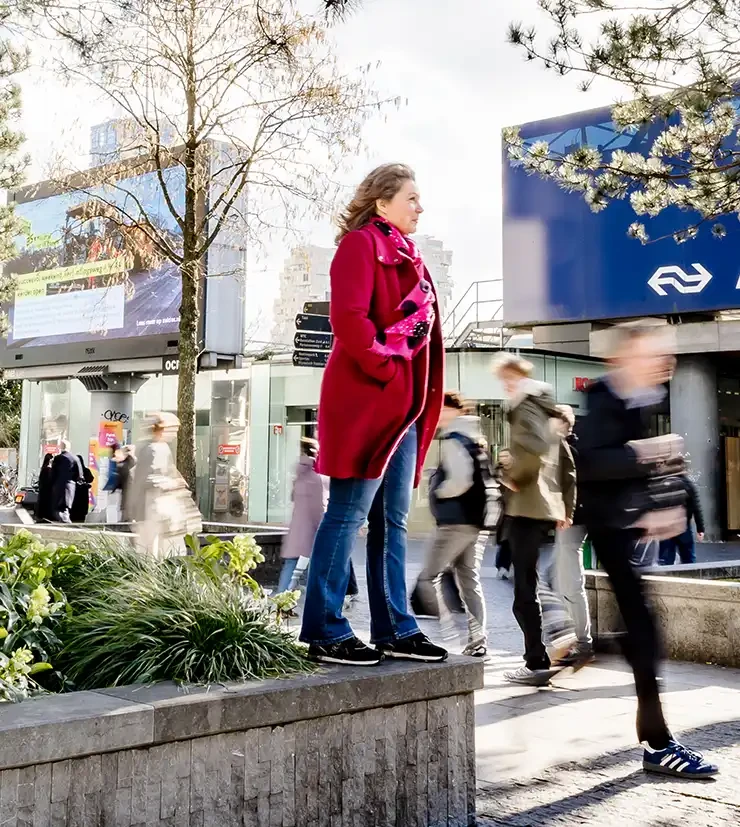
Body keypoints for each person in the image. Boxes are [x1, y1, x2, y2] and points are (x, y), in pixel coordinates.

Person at [300, 163, 447, 666]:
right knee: (347, 514)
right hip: (367, 402)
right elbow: (348, 319)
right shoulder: (360, 246)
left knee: (394, 522)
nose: (420, 206)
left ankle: (396, 628)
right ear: (382, 202)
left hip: (404, 409)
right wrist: (386, 370)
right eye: (412, 197)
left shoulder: (414, 258)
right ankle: (324, 627)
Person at [577, 321, 718, 778]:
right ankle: (657, 745)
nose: (665, 361)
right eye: (655, 352)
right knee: (646, 632)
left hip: (627, 526)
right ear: (627, 357)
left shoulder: (641, 398)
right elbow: (592, 463)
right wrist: (648, 453)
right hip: (606, 528)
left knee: (641, 632)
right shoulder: (603, 398)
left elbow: (645, 468)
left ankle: (600, 646)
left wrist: (664, 503)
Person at [493, 354, 576, 686]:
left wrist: (512, 475)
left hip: (526, 506)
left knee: (524, 588)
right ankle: (552, 641)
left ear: (516, 377)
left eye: (506, 378)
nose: (504, 384)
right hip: (543, 508)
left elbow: (537, 449)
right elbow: (567, 465)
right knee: (529, 581)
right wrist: (565, 509)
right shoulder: (548, 407)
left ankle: (538, 659)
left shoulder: (523, 406)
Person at [415, 392, 495, 658]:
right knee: (469, 580)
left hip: (454, 522)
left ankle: (442, 636)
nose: (436, 416)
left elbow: (462, 481)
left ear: (451, 410)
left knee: (427, 578)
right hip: (475, 522)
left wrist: (438, 491)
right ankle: (477, 640)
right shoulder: (474, 437)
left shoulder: (453, 439)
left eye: (439, 409)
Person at [543, 405, 594, 667]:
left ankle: (583, 643)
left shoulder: (568, 449)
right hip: (570, 522)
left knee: (571, 585)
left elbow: (570, 486)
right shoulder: (568, 447)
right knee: (555, 581)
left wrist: (565, 512)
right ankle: (571, 640)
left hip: (571, 523)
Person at [132, 412, 201, 557]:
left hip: (155, 509)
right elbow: (148, 479)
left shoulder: (156, 447)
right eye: (174, 430)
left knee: (156, 550)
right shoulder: (152, 449)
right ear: (163, 429)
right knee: (151, 551)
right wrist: (173, 483)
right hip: (151, 509)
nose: (175, 435)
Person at [277, 438, 327, 594]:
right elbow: (318, 508)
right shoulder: (316, 477)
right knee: (317, 566)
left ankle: (281, 595)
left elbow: (293, 498)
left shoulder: (299, 475)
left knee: (291, 563)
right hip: (312, 529)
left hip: (297, 527)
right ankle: (317, 598)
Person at [659, 473, 705, 565]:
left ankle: (666, 577)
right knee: (688, 559)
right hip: (683, 525)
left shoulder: (662, 483)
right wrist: (700, 528)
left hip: (666, 527)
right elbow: (696, 507)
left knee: (665, 560)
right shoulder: (687, 483)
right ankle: (691, 577)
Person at [50, 440, 81, 523]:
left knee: (59, 508)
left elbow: (53, 473)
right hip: (70, 486)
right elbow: (79, 475)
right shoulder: (75, 459)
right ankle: (65, 522)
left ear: (61, 447)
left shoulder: (58, 458)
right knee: (65, 507)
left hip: (58, 486)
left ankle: (65, 522)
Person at [494, 449, 513, 579]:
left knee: (508, 541)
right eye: (501, 456)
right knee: (505, 541)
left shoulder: (515, 471)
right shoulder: (496, 472)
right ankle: (502, 566)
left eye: (506, 456)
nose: (503, 458)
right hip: (502, 512)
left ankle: (503, 566)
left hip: (513, 512)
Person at [70, 454, 94, 523]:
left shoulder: (74, 471)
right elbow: (90, 479)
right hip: (79, 494)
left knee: (76, 513)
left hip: (77, 494)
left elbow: (90, 479)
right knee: (79, 513)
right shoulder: (84, 470)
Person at [117, 445, 137, 523]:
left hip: (130, 495)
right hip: (129, 494)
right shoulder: (129, 462)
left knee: (128, 516)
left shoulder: (128, 463)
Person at [36, 453, 55, 523]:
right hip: (47, 490)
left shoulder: (43, 468)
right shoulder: (48, 469)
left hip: (43, 489)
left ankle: (41, 516)